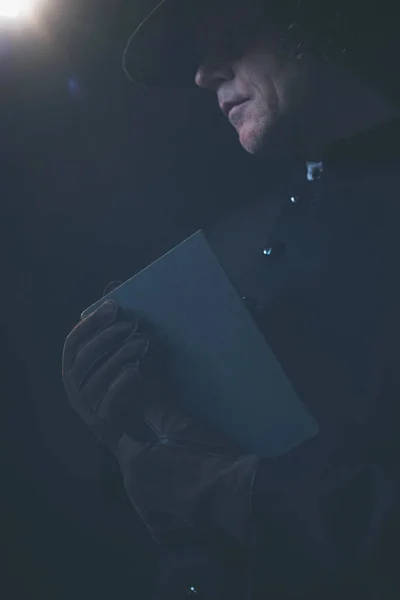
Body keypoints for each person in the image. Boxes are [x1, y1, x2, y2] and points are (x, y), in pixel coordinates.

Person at [62, 0, 400, 598]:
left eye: (230, 37)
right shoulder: (250, 240)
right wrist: (137, 422)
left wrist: (235, 494)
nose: (202, 73)